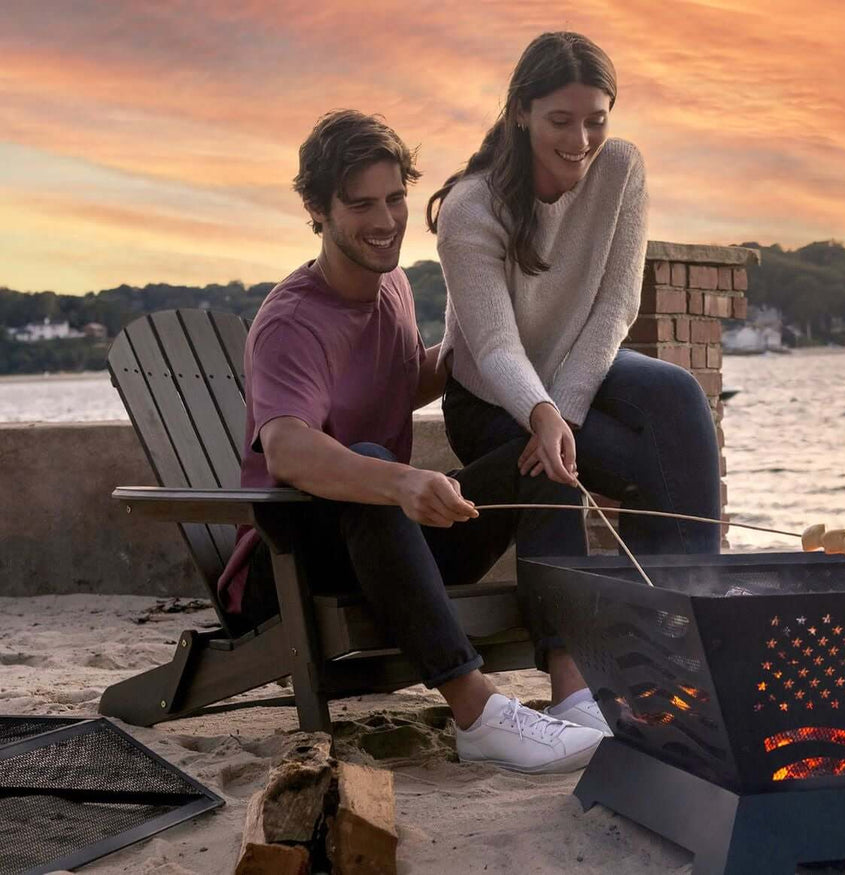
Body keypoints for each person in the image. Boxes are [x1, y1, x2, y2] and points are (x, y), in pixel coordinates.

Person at [223, 109, 603, 773]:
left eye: (396, 197)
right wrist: (401, 481)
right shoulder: (292, 321)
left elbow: (408, 379)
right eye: (360, 203)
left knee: (538, 449)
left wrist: (493, 345)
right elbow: (285, 447)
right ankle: (477, 710)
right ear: (316, 208)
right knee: (370, 465)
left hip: (390, 547)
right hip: (290, 559)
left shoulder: (392, 287)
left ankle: (573, 691)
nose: (385, 220)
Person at [427, 31, 722, 734]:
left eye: (596, 118)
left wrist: (563, 407)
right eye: (561, 120)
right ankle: (573, 682)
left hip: (573, 375)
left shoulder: (620, 169)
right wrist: (541, 412)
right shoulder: (472, 207)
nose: (581, 138)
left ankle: (679, 650)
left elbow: (617, 306)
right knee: (557, 464)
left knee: (676, 397)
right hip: (493, 395)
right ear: (521, 112)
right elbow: (496, 343)